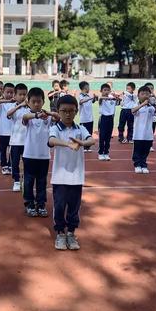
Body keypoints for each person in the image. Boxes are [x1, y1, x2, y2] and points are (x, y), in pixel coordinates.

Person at [49, 95, 95, 251]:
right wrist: (68, 144)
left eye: (71, 111)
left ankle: (71, 233)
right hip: (60, 177)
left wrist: (82, 142)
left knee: (74, 207)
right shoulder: (55, 128)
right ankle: (60, 233)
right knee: (60, 206)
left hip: (76, 177)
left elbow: (91, 140)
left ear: (76, 111)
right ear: (58, 111)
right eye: (64, 111)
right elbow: (51, 141)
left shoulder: (80, 129)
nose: (67, 114)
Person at [22, 87, 59, 217]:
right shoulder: (28, 115)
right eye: (33, 101)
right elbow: (26, 117)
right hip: (29, 155)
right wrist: (37, 114)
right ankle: (29, 204)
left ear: (43, 102)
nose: (36, 104)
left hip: (44, 156)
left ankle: (41, 204)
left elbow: (58, 117)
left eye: (39, 101)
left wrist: (48, 113)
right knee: (28, 180)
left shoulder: (47, 118)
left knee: (42, 181)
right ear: (28, 102)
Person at [7, 83, 29, 192]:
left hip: (27, 141)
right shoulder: (13, 106)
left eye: (25, 94)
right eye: (20, 94)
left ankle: (25, 180)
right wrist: (19, 106)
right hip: (15, 141)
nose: (23, 97)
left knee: (27, 162)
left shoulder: (30, 107)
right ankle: (16, 181)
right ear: (15, 95)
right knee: (14, 162)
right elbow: (8, 114)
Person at [131, 86, 156, 174]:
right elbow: (133, 111)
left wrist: (151, 103)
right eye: (142, 94)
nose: (145, 95)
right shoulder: (136, 105)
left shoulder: (151, 107)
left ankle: (143, 164)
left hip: (148, 134)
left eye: (147, 94)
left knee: (145, 150)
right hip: (138, 134)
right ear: (138, 96)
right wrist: (143, 104)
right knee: (137, 150)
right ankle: (137, 164)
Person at [0, 82, 15, 175]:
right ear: (3, 92)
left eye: (11, 93)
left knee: (12, 150)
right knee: (3, 149)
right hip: (3, 132)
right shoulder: (1, 104)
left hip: (13, 132)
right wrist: (9, 101)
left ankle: (10, 165)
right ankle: (4, 165)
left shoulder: (15, 104)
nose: (9, 95)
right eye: (7, 92)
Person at [98, 83, 119, 161]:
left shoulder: (112, 97)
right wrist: (111, 98)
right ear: (101, 91)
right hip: (103, 118)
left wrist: (117, 98)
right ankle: (100, 153)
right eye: (105, 90)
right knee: (102, 136)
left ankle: (106, 152)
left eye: (108, 90)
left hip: (110, 119)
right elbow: (100, 99)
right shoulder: (101, 98)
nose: (106, 92)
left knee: (108, 137)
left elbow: (118, 101)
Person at [78, 81, 96, 152]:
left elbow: (93, 101)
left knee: (89, 133)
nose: (89, 88)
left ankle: (88, 147)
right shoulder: (80, 96)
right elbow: (81, 101)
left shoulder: (88, 96)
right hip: (84, 119)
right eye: (88, 87)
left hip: (90, 118)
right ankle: (84, 147)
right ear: (85, 88)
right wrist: (90, 98)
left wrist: (94, 98)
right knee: (83, 133)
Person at [144, 82, 156, 151]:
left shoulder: (153, 98)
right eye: (149, 88)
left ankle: (150, 145)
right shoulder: (142, 96)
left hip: (152, 119)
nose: (150, 90)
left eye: (152, 88)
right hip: (144, 119)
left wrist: (154, 95)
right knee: (144, 131)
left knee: (151, 132)